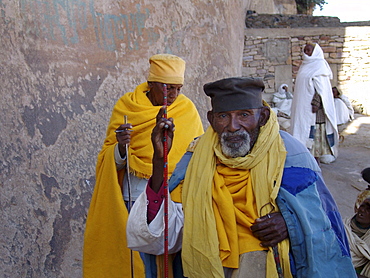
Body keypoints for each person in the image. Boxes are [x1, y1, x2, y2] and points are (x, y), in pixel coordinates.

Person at [126, 77, 356, 277]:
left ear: (263, 116)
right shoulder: (196, 157)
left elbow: (324, 220)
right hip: (206, 262)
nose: (233, 126)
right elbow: (166, 224)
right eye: (223, 116)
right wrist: (159, 159)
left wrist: (290, 222)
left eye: (244, 115)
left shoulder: (291, 155)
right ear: (211, 119)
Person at [83, 54, 204, 277]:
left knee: (167, 263)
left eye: (178, 88)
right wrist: (121, 147)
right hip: (134, 200)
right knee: (138, 264)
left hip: (172, 201)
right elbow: (108, 159)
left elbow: (196, 157)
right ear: (151, 84)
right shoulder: (127, 106)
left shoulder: (187, 110)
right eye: (167, 87)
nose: (173, 95)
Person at [290, 43, 339, 165]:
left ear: (315, 52)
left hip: (315, 109)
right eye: (305, 50)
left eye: (309, 50)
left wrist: (316, 102)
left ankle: (316, 156)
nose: (306, 52)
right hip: (303, 107)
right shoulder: (304, 66)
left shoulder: (320, 66)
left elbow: (322, 89)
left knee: (315, 131)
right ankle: (306, 155)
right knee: (303, 128)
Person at [344, 194, 370, 277]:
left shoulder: (368, 239)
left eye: (368, 209)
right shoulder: (342, 226)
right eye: (362, 206)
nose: (362, 210)